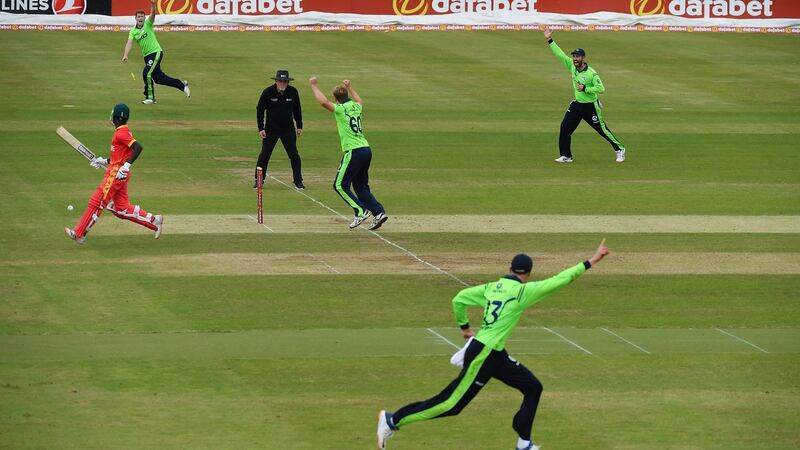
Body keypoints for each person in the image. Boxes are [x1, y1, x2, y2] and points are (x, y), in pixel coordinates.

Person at [376, 240, 611, 450]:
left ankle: (523, 443)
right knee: (451, 404)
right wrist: (593, 260)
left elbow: (458, 299)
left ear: (509, 270)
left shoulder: (491, 288)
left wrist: (465, 328)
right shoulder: (522, 292)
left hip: (493, 353)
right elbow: (562, 279)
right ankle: (393, 420)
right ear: (528, 274)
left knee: (532, 387)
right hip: (484, 354)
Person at [65, 103, 164, 244]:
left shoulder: (121, 133)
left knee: (97, 201)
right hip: (117, 172)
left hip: (116, 175)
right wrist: (103, 161)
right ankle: (154, 221)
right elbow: (120, 156)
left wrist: (126, 166)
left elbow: (138, 147)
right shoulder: (123, 132)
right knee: (121, 209)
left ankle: (80, 233)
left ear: (116, 117)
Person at [308, 77, 388, 231]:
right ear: (346, 95)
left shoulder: (340, 109)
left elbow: (324, 102)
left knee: (339, 185)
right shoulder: (356, 107)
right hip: (366, 149)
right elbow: (360, 100)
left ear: (336, 98)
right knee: (360, 186)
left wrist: (314, 85)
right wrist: (350, 86)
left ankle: (360, 210)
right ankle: (378, 212)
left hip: (354, 151)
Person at [544, 28, 626, 163]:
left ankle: (620, 149)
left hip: (590, 106)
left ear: (583, 58)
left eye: (578, 56)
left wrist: (585, 88)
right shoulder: (571, 66)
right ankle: (566, 156)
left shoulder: (591, 73)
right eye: (574, 56)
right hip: (577, 105)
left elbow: (601, 88)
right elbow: (560, 54)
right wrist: (549, 40)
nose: (575, 59)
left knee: (602, 130)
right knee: (565, 128)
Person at [122, 0, 190, 105]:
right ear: (135, 18)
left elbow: (153, 14)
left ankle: (150, 98)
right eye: (138, 17)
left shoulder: (148, 24)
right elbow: (129, 43)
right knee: (159, 79)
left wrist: (153, 5)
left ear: (144, 18)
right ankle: (182, 85)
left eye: (142, 16)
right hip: (147, 56)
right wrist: (125, 55)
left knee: (146, 73)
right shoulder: (133, 31)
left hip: (156, 52)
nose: (140, 18)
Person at [255, 70, 304, 190]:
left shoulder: (293, 92)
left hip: (288, 130)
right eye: (280, 81)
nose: (282, 84)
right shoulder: (268, 92)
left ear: (288, 82)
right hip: (271, 130)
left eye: (285, 82)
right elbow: (260, 109)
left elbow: (297, 109)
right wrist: (261, 128)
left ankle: (298, 180)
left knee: (294, 155)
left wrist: (299, 126)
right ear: (276, 81)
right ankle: (259, 180)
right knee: (265, 155)